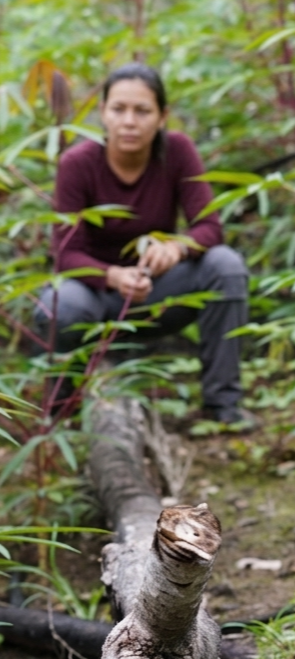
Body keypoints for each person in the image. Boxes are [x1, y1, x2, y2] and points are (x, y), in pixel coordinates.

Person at [36, 62, 251, 425]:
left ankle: (222, 407)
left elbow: (210, 227)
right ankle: (59, 416)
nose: (129, 121)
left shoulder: (177, 151)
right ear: (102, 113)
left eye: (142, 110)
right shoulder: (77, 163)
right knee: (62, 308)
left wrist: (178, 247)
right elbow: (66, 253)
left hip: (155, 290)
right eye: (118, 109)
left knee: (226, 266)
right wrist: (114, 276)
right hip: (93, 292)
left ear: (162, 116)